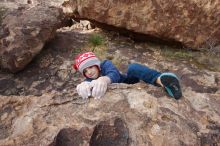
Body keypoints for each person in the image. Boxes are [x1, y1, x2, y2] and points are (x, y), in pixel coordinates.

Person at [73, 52, 182, 100]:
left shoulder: (105, 64)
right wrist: (82, 86)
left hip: (127, 81)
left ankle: (162, 80)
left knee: (133, 68)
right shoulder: (89, 79)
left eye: (91, 67)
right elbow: (86, 84)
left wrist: (104, 79)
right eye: (85, 71)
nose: (89, 72)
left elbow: (114, 74)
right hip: (121, 94)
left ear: (97, 65)